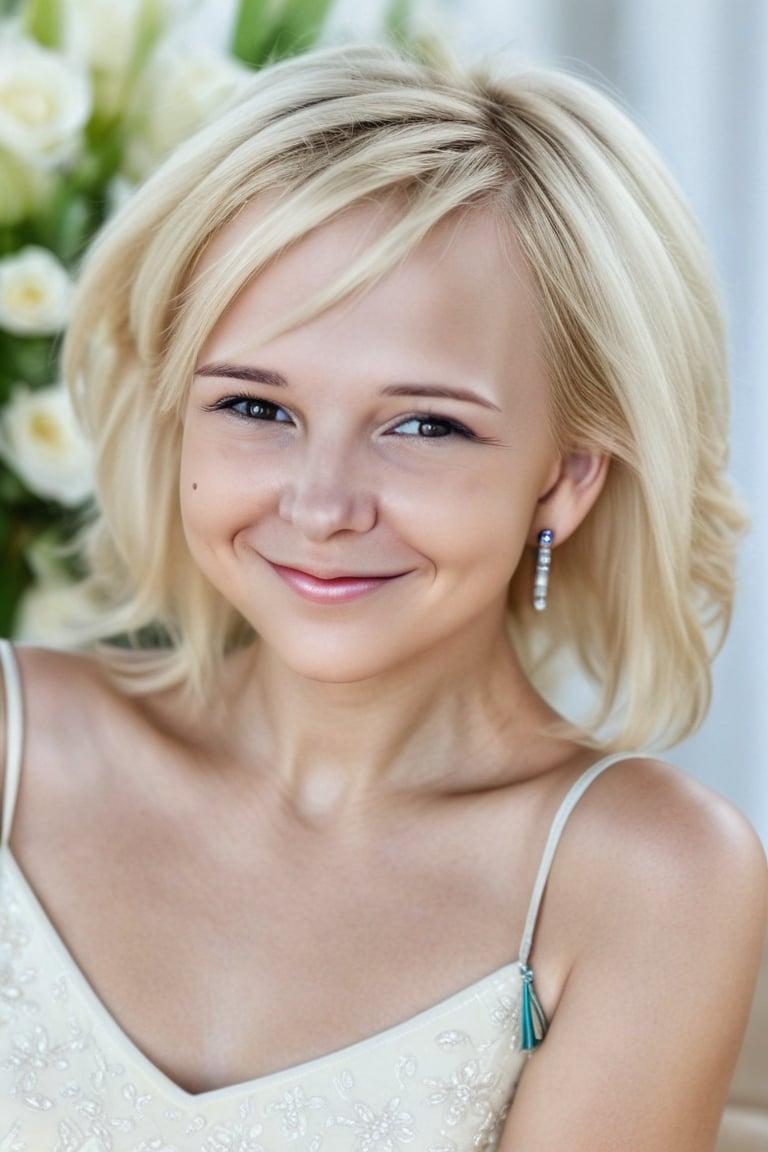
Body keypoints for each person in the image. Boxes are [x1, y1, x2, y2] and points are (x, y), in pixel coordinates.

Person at [0, 42, 765, 1152]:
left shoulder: (646, 878)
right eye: (256, 407)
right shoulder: (15, 744)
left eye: (424, 426)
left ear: (568, 475)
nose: (321, 505)